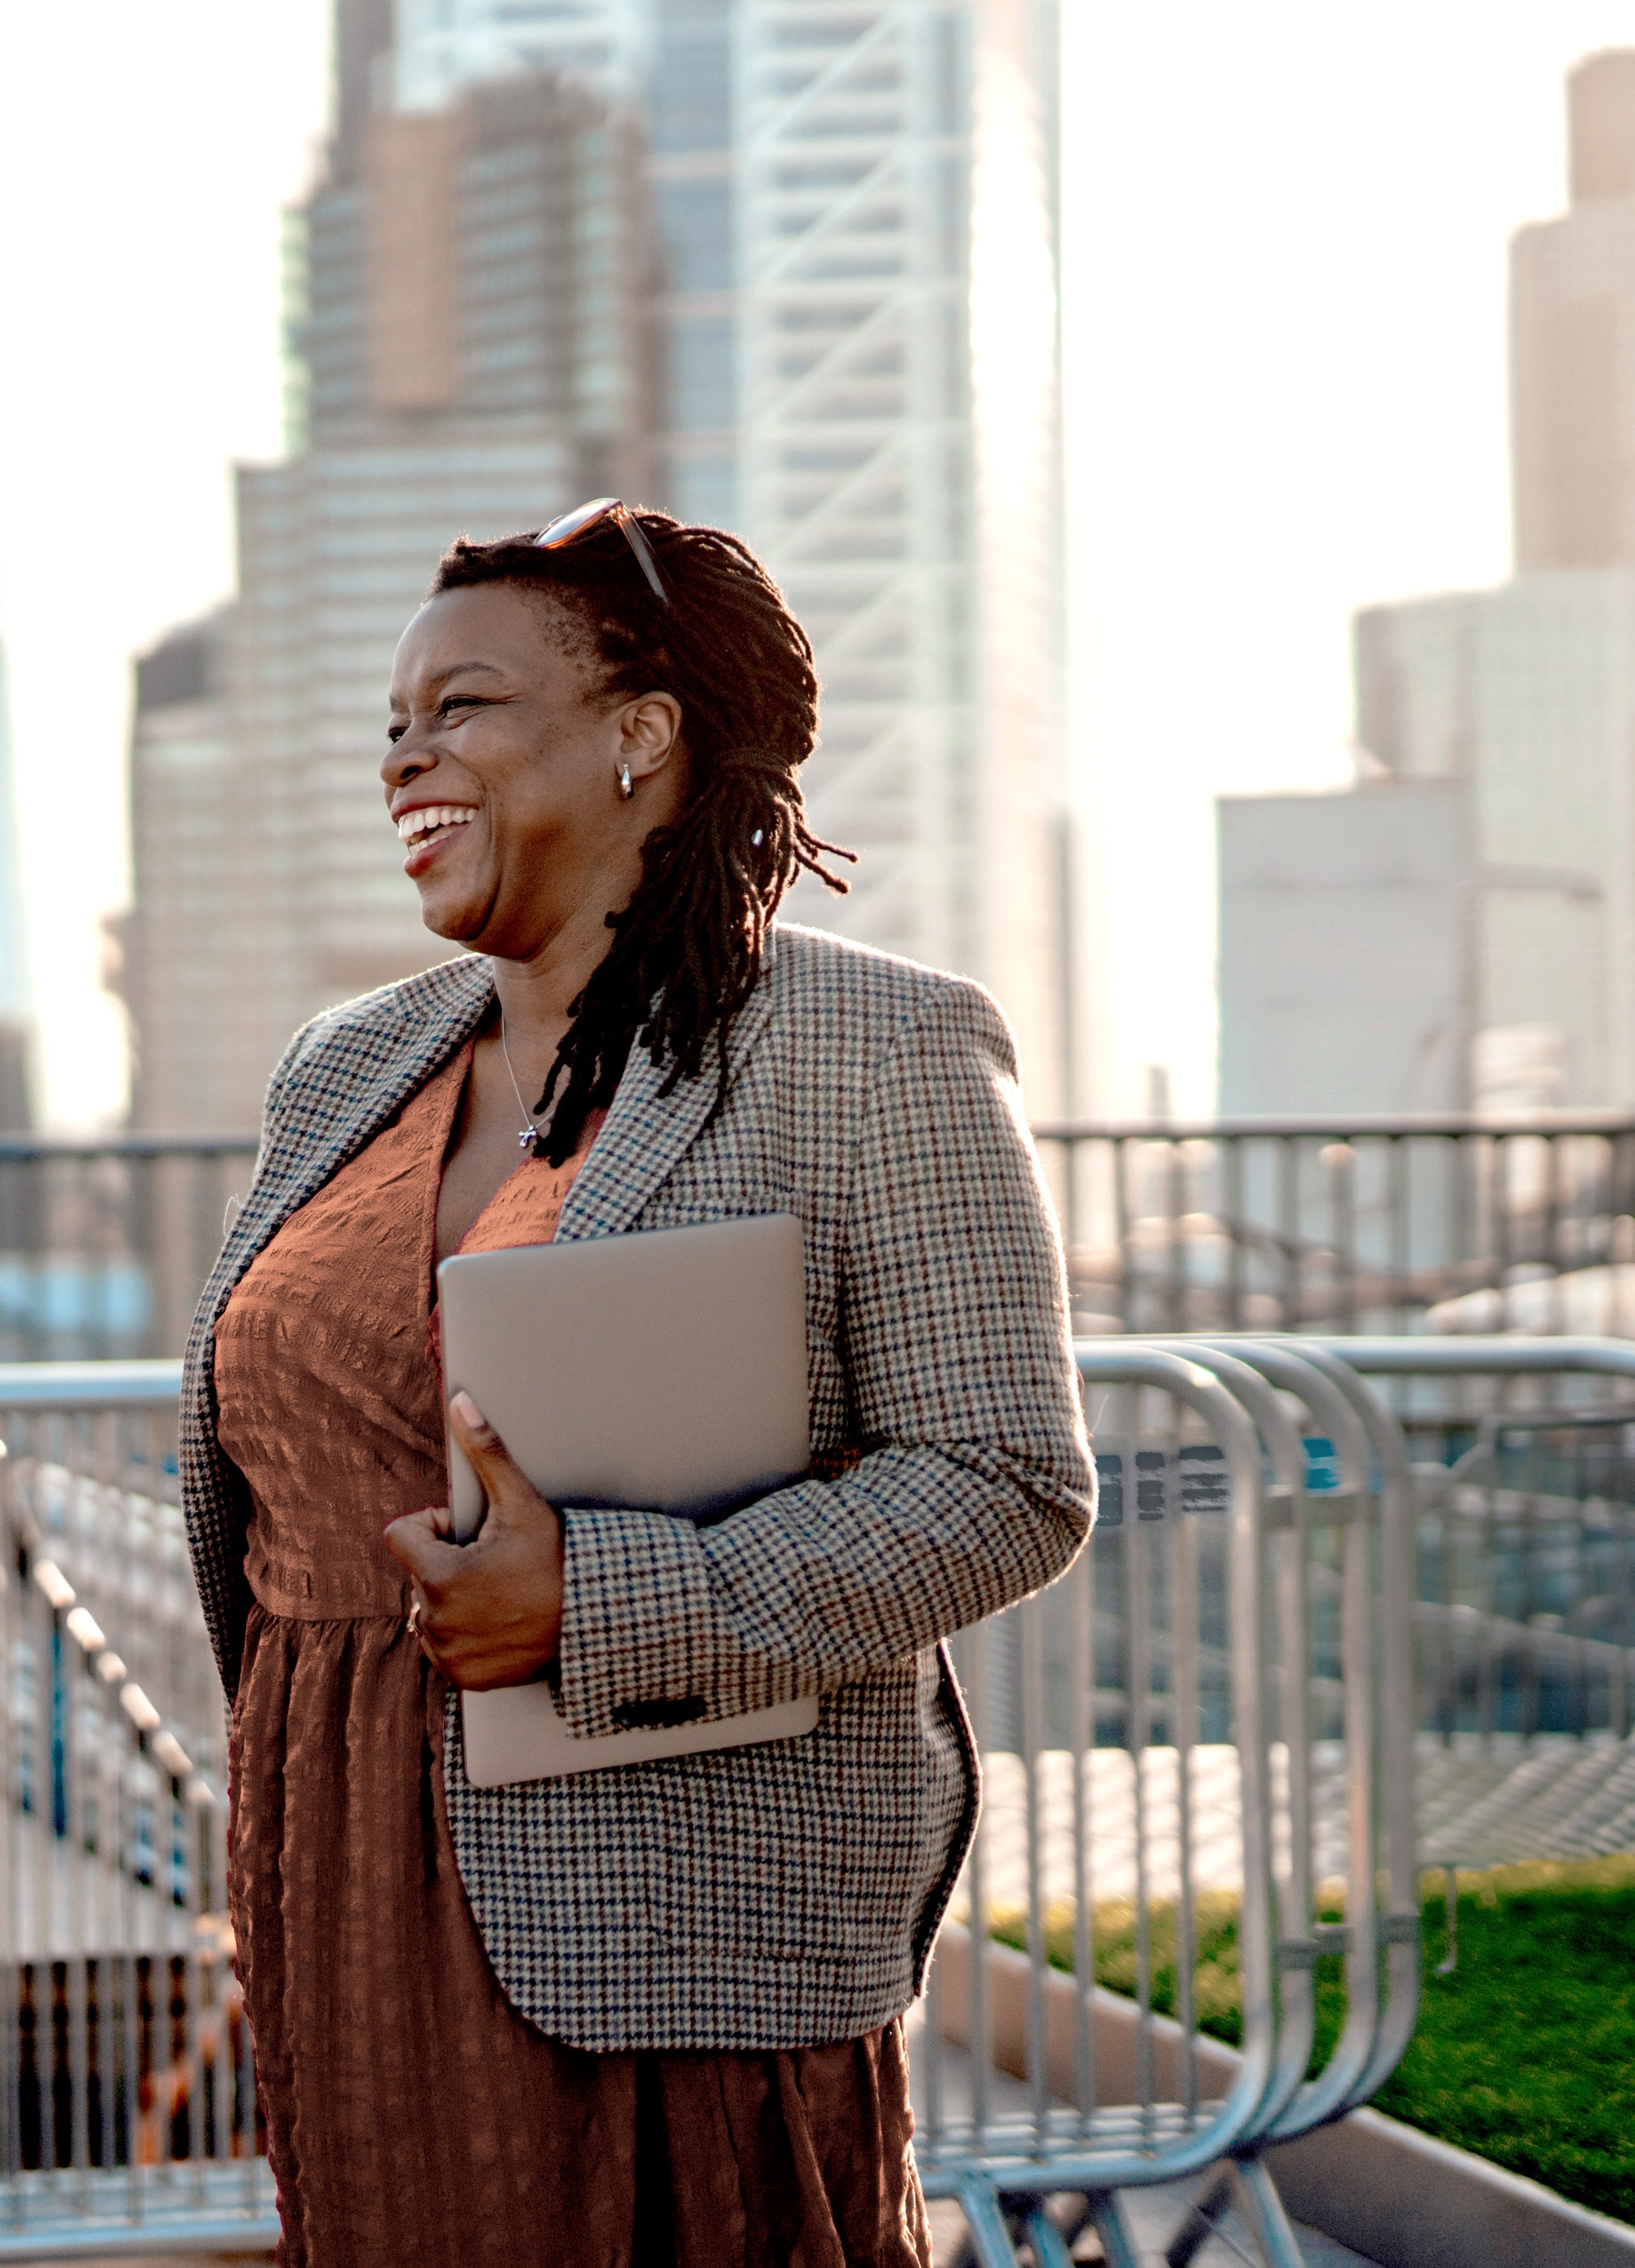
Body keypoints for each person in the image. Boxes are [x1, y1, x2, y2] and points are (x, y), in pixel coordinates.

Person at [175, 501, 1093, 2264]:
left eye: (461, 707)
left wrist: (596, 1601)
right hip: (338, 1855)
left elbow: (1002, 1481)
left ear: (639, 736)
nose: (404, 757)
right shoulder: (343, 1064)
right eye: (392, 724)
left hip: (673, 1895)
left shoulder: (875, 1048)